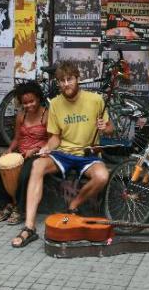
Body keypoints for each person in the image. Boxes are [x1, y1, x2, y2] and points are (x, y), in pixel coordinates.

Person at [11, 62, 114, 248]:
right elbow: (55, 138)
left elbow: (110, 129)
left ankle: (73, 206)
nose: (66, 84)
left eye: (70, 79)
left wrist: (105, 128)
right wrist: (46, 147)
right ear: (58, 83)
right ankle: (29, 226)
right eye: (62, 81)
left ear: (77, 79)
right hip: (64, 153)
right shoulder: (56, 104)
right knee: (37, 165)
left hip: (88, 153)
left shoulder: (96, 100)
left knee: (102, 176)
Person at [0, 81, 49, 225]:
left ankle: (19, 208)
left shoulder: (46, 115)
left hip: (38, 153)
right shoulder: (21, 116)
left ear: (38, 98)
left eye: (32, 101)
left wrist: (35, 150)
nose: (29, 105)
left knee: (24, 174)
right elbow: (17, 138)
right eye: (25, 103)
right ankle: (6, 204)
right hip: (20, 152)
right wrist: (9, 150)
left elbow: (51, 141)